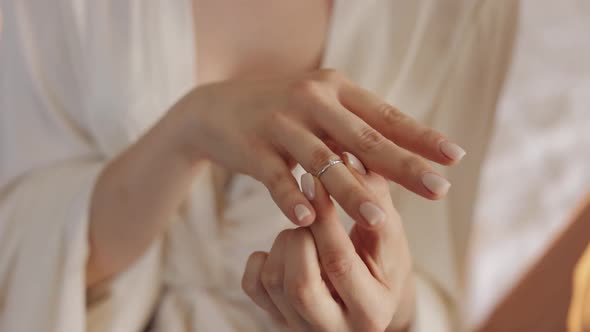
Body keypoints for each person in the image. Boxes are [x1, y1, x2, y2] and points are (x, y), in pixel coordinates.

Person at [0, 1, 517, 331]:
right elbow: (20, 241)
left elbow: (435, 285)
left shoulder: (460, 11)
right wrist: (186, 132)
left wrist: (389, 306)